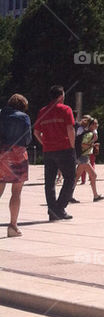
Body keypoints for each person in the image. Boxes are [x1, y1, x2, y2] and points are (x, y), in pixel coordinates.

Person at [34, 85, 76, 222]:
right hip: (64, 148)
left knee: (49, 181)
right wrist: (72, 145)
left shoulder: (43, 111)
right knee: (70, 178)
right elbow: (70, 129)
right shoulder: (66, 109)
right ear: (61, 96)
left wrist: (44, 143)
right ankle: (60, 208)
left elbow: (36, 132)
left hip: (48, 151)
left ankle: (52, 210)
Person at [0, 94, 32, 236]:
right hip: (18, 155)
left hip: (1, 153)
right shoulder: (24, 117)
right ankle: (12, 226)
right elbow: (27, 139)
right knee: (16, 192)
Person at [76, 118, 104, 202]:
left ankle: (95, 195)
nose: (97, 125)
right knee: (93, 175)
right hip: (84, 157)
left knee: (77, 177)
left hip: (83, 157)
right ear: (91, 125)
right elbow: (83, 145)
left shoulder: (86, 133)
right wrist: (93, 145)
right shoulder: (89, 134)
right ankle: (95, 196)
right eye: (96, 124)